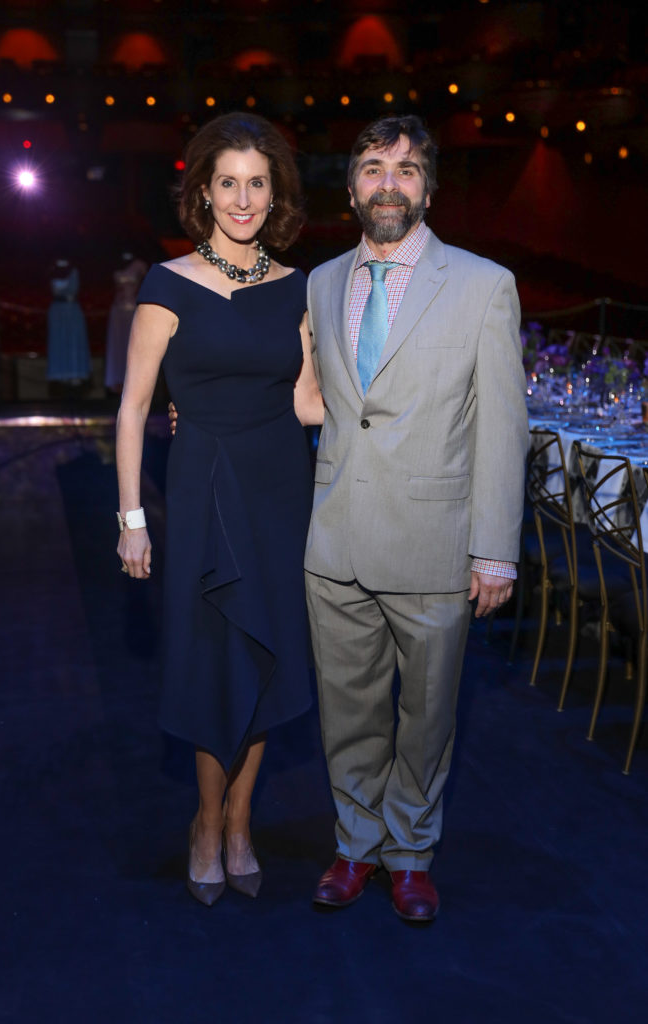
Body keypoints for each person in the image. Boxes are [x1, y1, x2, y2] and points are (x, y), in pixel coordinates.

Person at [306, 115, 529, 922]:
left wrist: (494, 552)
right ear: (352, 188)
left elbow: (504, 425)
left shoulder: (481, 284)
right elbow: (313, 399)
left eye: (405, 169)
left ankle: (408, 851)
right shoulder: (321, 281)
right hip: (333, 542)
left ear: (427, 188)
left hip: (435, 545)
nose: (388, 183)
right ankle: (354, 844)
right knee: (348, 712)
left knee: (427, 715)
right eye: (371, 167)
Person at [116, 112, 323, 908]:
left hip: (279, 489)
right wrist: (131, 518)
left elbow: (307, 403)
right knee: (212, 657)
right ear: (203, 192)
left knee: (269, 652)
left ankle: (241, 822)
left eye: (257, 184)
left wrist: (393, 408)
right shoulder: (167, 285)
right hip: (202, 484)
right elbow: (135, 407)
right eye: (228, 182)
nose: (242, 198)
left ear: (276, 197)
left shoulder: (297, 287)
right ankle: (206, 821)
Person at [104, 251, 148, 394]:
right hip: (117, 311)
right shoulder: (114, 263)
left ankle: (137, 384)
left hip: (133, 310)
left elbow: (147, 285)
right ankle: (117, 384)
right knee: (118, 347)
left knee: (134, 345)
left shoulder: (139, 265)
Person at [46, 258, 91, 387]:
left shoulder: (74, 271)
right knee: (58, 341)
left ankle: (76, 373)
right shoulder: (52, 270)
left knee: (74, 341)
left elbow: (73, 289)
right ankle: (60, 375)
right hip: (57, 311)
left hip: (72, 311)